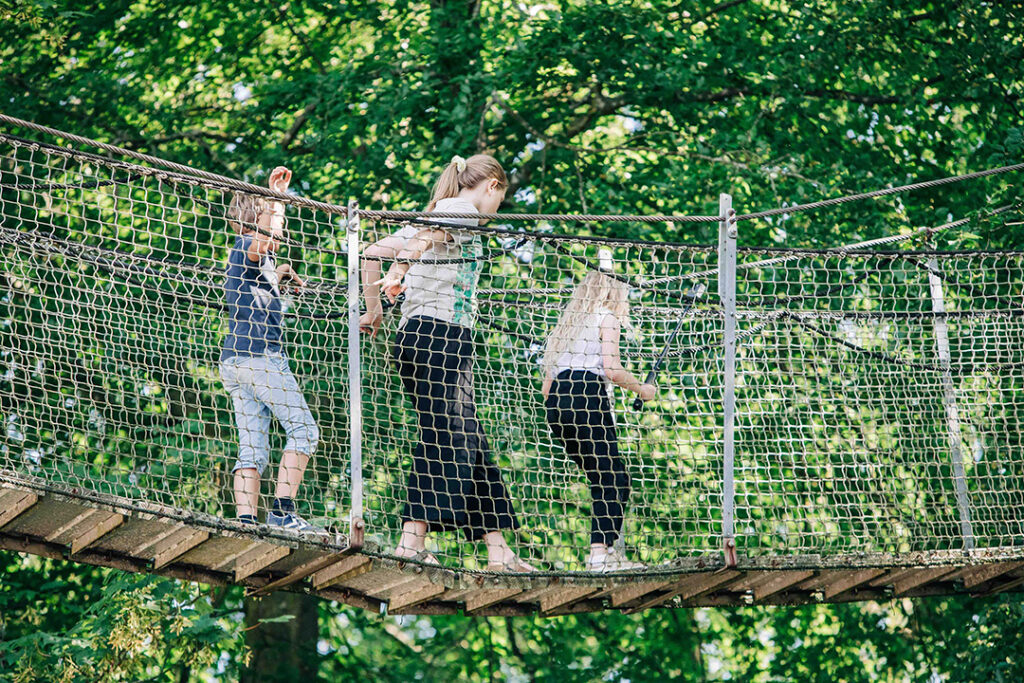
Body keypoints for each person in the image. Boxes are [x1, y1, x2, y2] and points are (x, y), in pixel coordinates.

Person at [359, 154, 533, 571]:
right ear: (492, 185)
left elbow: (369, 252)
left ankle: (498, 550)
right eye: (500, 199)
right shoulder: (464, 209)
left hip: (414, 339)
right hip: (443, 338)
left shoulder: (431, 213)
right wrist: (401, 268)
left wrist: (374, 310)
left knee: (465, 437)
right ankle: (410, 541)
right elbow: (430, 236)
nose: (496, 211)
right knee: (450, 436)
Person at [219, 166, 324, 534]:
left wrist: (278, 278)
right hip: (259, 357)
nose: (278, 224)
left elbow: (256, 289)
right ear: (254, 220)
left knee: (252, 450)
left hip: (235, 362)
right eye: (270, 216)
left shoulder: (253, 261)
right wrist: (277, 200)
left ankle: (246, 522)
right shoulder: (248, 245)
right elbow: (265, 240)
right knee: (304, 431)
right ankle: (282, 512)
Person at [542, 270, 653, 572]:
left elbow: (546, 386)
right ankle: (600, 555)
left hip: (557, 404)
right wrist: (642, 389)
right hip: (586, 396)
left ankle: (602, 553)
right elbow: (612, 369)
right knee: (614, 478)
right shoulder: (607, 318)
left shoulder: (568, 325)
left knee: (601, 477)